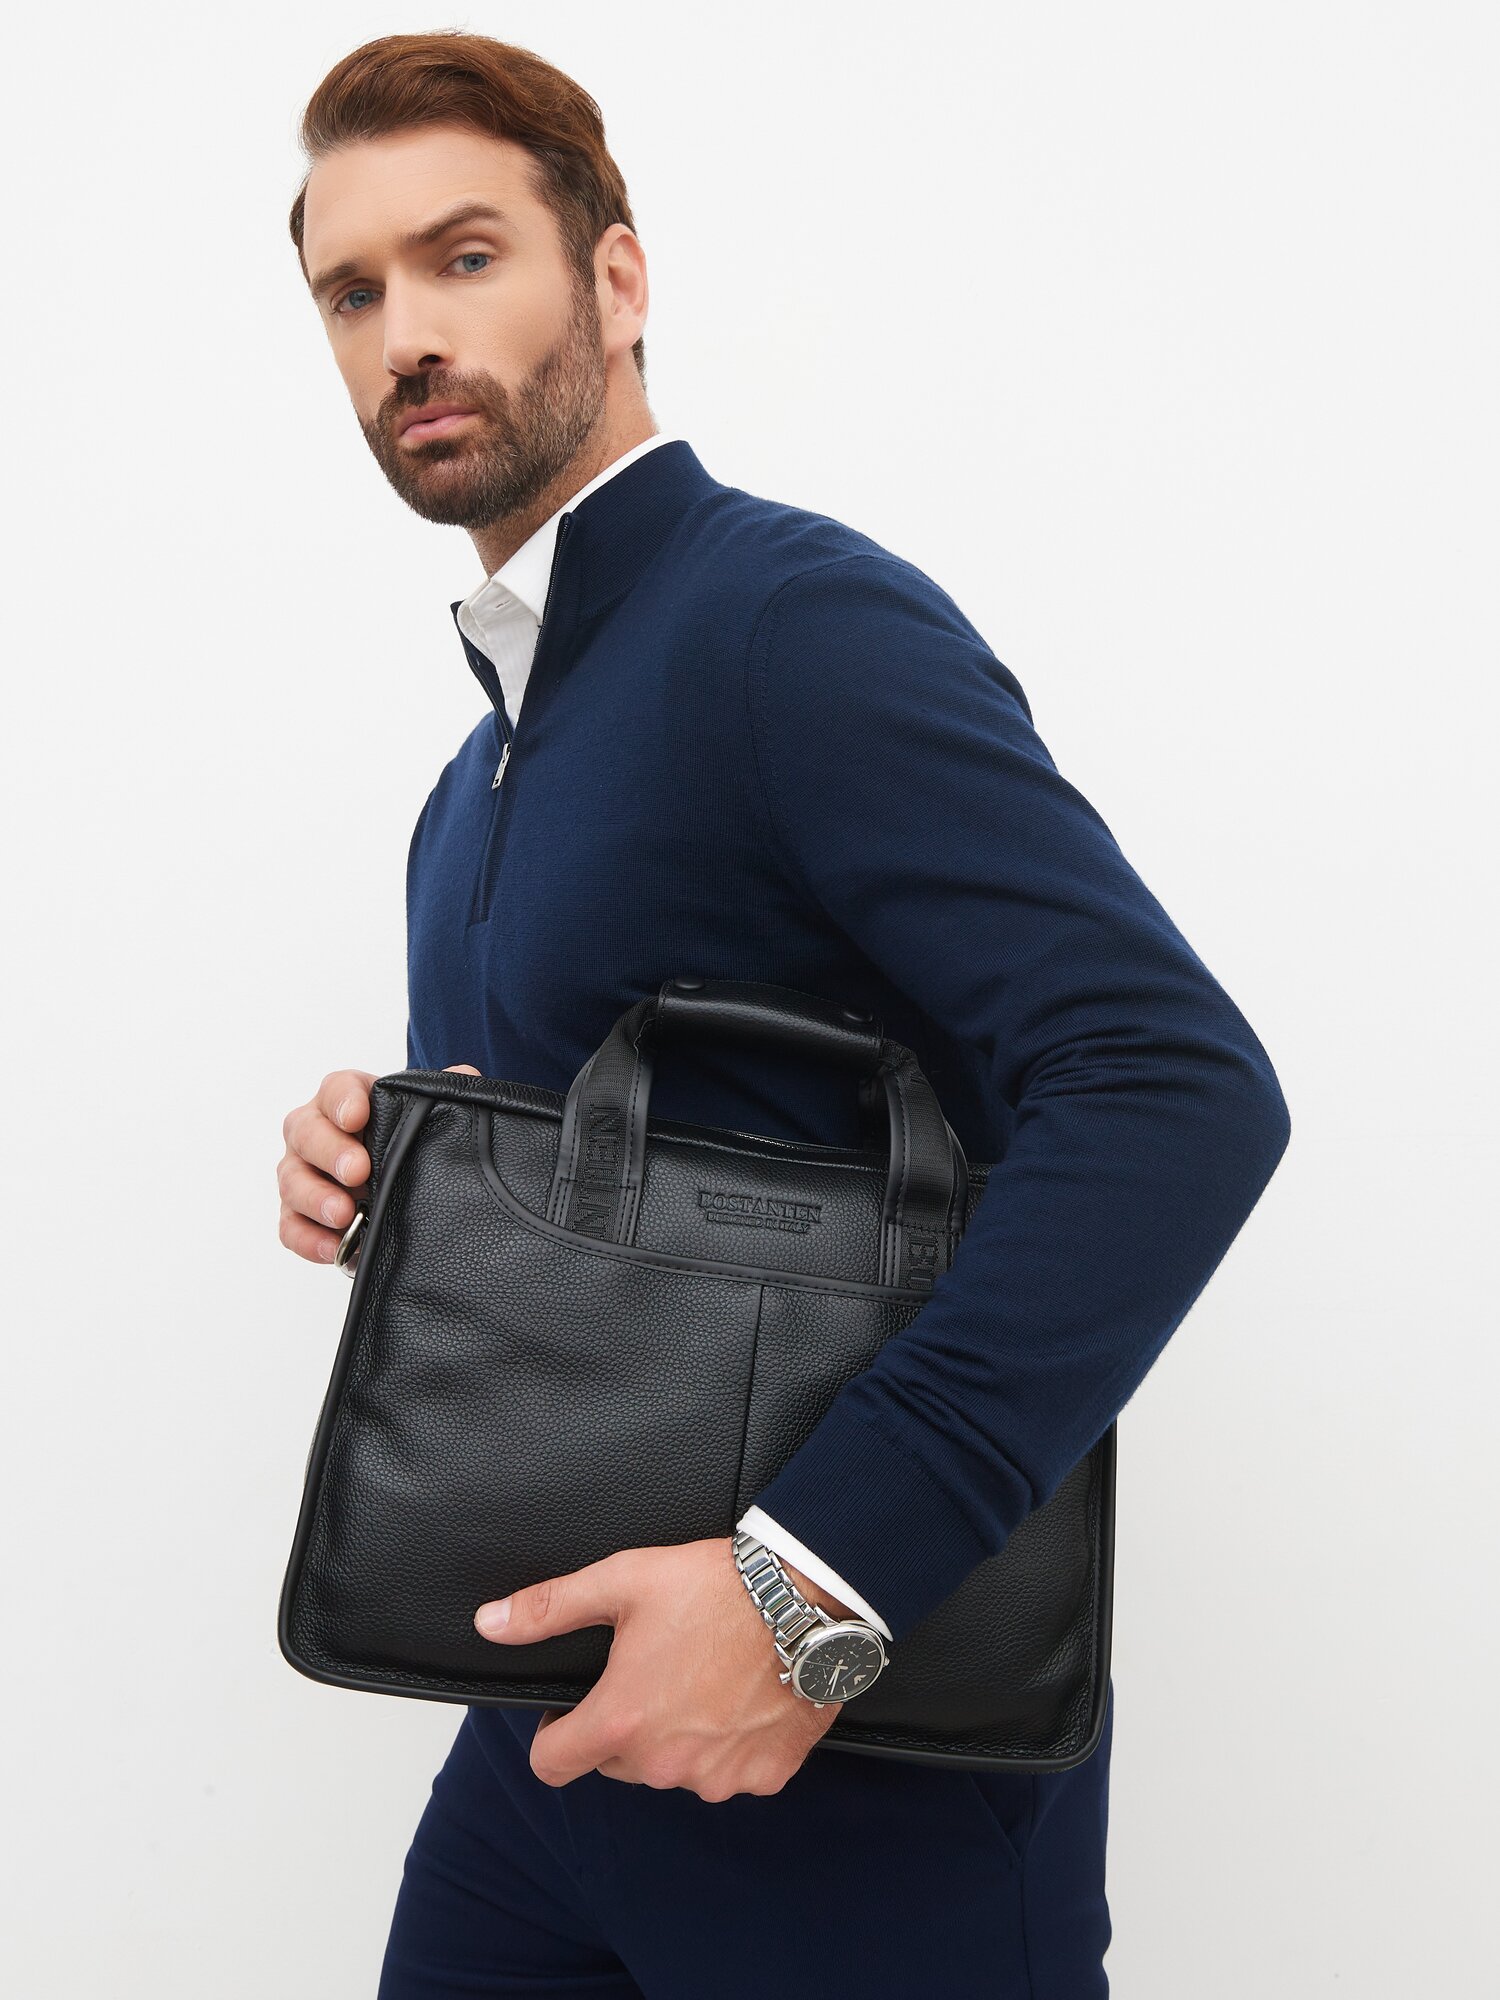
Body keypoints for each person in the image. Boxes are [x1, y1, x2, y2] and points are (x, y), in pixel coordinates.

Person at [274, 30, 1290, 1998]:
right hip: (545, 1761)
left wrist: (806, 1590)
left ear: (617, 280)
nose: (407, 334)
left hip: (862, 1786)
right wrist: (410, 1178)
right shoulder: (468, 782)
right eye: (352, 291)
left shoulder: (785, 624)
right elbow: (643, 1213)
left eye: (465, 256)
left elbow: (1174, 1087)